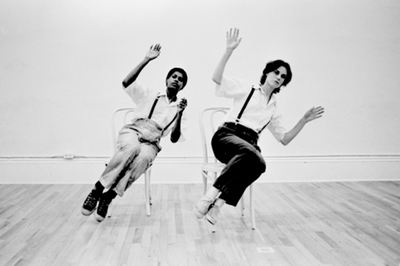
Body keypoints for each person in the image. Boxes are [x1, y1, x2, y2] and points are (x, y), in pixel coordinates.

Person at [194, 28, 324, 225]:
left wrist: (304, 120)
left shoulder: (273, 108)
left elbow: (285, 139)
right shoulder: (247, 89)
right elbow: (216, 78)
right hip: (226, 137)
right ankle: (209, 196)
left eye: (283, 76)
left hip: (247, 147)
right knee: (251, 154)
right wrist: (229, 50)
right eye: (276, 72)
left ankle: (217, 206)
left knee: (260, 164)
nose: (279, 77)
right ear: (266, 73)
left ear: (284, 83)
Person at [82, 44, 188, 222]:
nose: (176, 80)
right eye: (173, 76)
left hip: (152, 142)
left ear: (183, 86)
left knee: (143, 159)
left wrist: (180, 114)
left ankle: (108, 198)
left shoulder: (179, 108)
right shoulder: (150, 94)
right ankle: (98, 189)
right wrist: (146, 59)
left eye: (180, 79)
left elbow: (175, 138)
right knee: (131, 149)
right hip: (134, 130)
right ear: (167, 80)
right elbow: (126, 82)